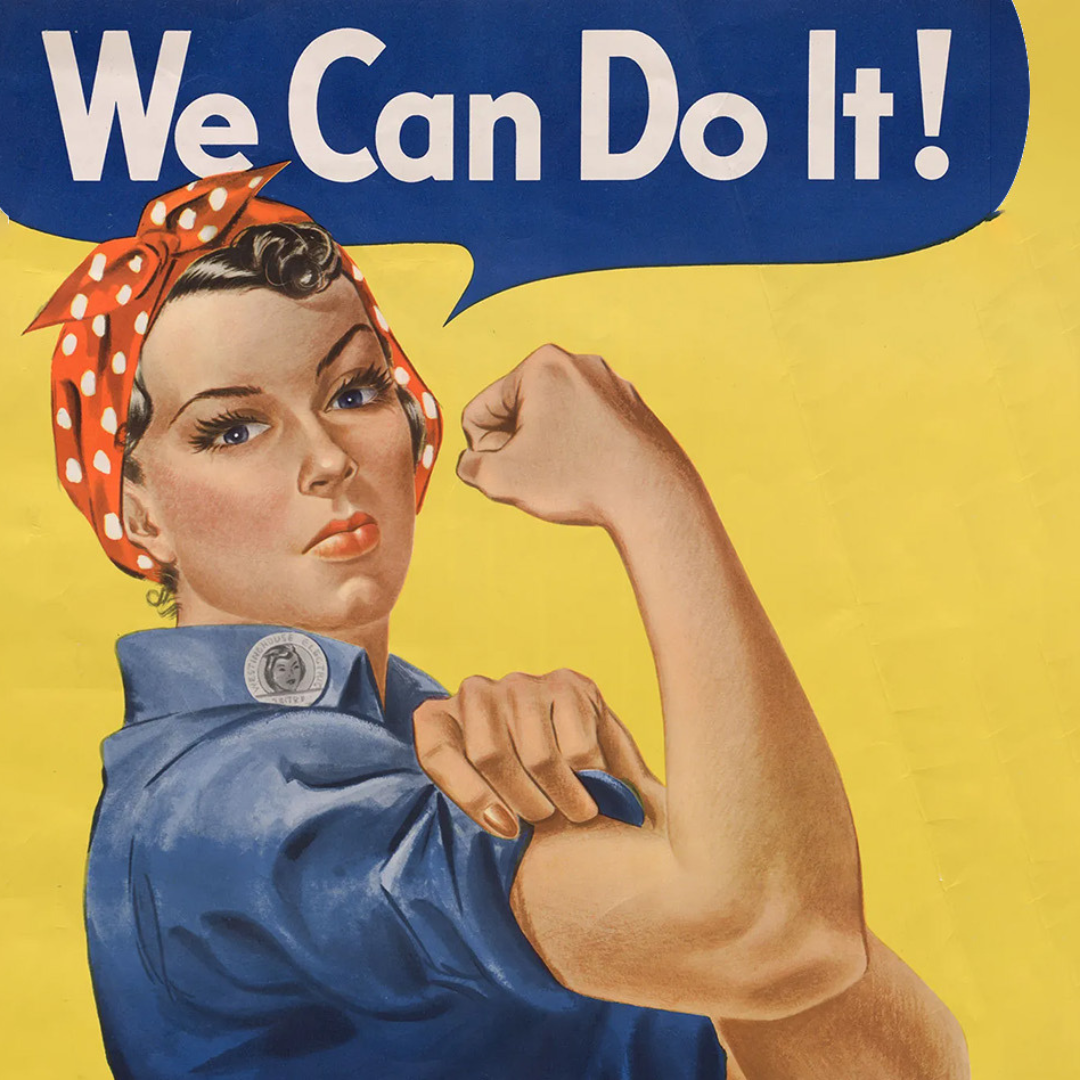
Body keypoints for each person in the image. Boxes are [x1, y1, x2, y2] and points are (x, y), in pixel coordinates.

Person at [29, 165, 969, 1079]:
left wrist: (647, 806)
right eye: (233, 429)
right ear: (140, 513)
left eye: (352, 391)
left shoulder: (411, 742)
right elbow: (778, 935)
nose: (327, 458)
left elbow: (898, 1068)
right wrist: (650, 493)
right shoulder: (228, 805)